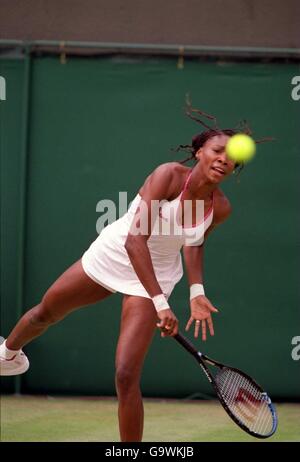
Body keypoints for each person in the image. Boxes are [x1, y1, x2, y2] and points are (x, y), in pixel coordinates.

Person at [0, 118, 242, 441]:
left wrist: (196, 292)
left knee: (126, 374)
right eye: (218, 150)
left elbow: (194, 243)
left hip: (157, 273)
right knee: (46, 312)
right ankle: (7, 355)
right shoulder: (168, 175)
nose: (225, 159)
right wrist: (161, 304)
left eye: (233, 157)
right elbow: (134, 241)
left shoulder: (221, 208)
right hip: (118, 250)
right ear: (199, 152)